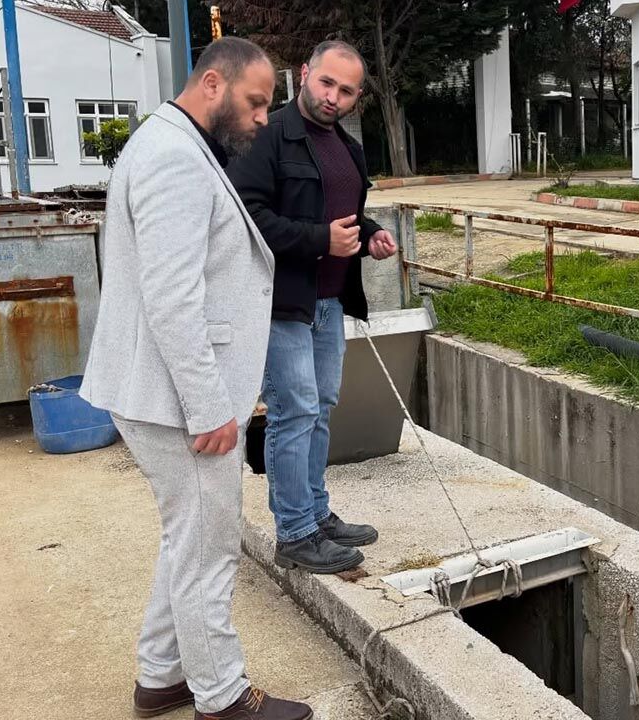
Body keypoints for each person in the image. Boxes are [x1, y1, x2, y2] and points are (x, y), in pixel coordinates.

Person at [80, 38, 312, 720]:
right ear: (213, 83)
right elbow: (172, 297)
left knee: (188, 537)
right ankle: (222, 696)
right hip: (177, 399)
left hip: (162, 389)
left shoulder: (173, 144)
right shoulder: (174, 157)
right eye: (256, 102)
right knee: (210, 546)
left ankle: (162, 676)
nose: (264, 117)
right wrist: (210, 407)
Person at [229, 40, 398, 574]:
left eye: (346, 91)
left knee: (320, 408)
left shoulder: (347, 147)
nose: (333, 97)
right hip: (281, 302)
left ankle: (316, 514)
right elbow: (247, 218)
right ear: (304, 73)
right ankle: (295, 532)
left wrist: (369, 234)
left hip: (328, 301)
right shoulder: (266, 136)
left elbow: (343, 214)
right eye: (326, 83)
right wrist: (321, 240)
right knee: (293, 410)